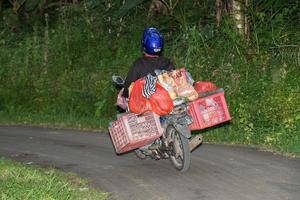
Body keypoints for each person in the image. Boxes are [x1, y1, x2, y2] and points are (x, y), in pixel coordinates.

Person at [122, 27, 174, 98]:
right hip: (167, 99)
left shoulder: (138, 65)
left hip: (146, 105)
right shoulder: (167, 62)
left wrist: (125, 94)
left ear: (144, 44)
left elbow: (128, 89)